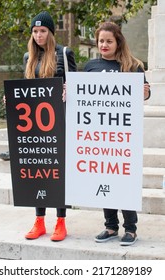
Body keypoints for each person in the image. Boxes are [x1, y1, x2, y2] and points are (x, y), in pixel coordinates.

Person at [84, 21, 150, 246]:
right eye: (101, 41)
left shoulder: (133, 66)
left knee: (124, 181)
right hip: (99, 135)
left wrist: (145, 92)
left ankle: (130, 229)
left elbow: (144, 96)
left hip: (123, 136)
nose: (104, 44)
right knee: (104, 179)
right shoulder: (90, 66)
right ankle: (110, 226)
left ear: (118, 42)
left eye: (108, 41)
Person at [24, 11, 77, 241]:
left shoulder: (64, 54)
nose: (38, 35)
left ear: (51, 32)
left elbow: (78, 86)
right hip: (35, 126)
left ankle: (61, 221)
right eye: (35, 31)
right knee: (38, 173)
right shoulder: (29, 58)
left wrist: (69, 90)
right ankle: (39, 221)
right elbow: (26, 90)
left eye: (43, 31)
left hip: (60, 122)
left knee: (59, 174)